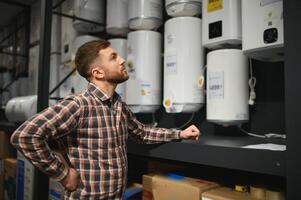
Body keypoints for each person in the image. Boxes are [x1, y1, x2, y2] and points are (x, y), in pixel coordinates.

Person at [10, 39, 200, 199]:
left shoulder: (119, 106)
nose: (123, 60)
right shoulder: (78, 105)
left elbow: (142, 132)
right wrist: (63, 173)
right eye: (113, 57)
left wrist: (180, 133)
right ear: (98, 73)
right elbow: (25, 136)